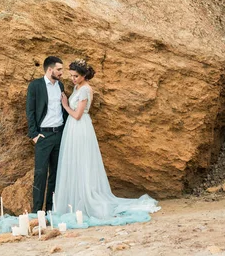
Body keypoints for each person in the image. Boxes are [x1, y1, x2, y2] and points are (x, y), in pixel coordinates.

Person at [54, 59, 160, 221]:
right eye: (71, 76)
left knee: (82, 161)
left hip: (80, 127)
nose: (73, 79)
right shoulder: (77, 87)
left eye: (76, 76)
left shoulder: (85, 90)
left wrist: (65, 105)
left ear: (83, 76)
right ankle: (75, 198)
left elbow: (77, 115)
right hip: (72, 129)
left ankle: (87, 198)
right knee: (74, 161)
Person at [26, 56, 68, 213]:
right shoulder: (36, 85)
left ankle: (51, 209)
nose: (61, 73)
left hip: (59, 134)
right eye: (59, 69)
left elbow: (62, 109)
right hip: (43, 136)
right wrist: (34, 134)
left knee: (55, 174)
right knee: (40, 174)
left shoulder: (60, 85)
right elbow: (29, 110)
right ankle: (37, 211)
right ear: (50, 70)